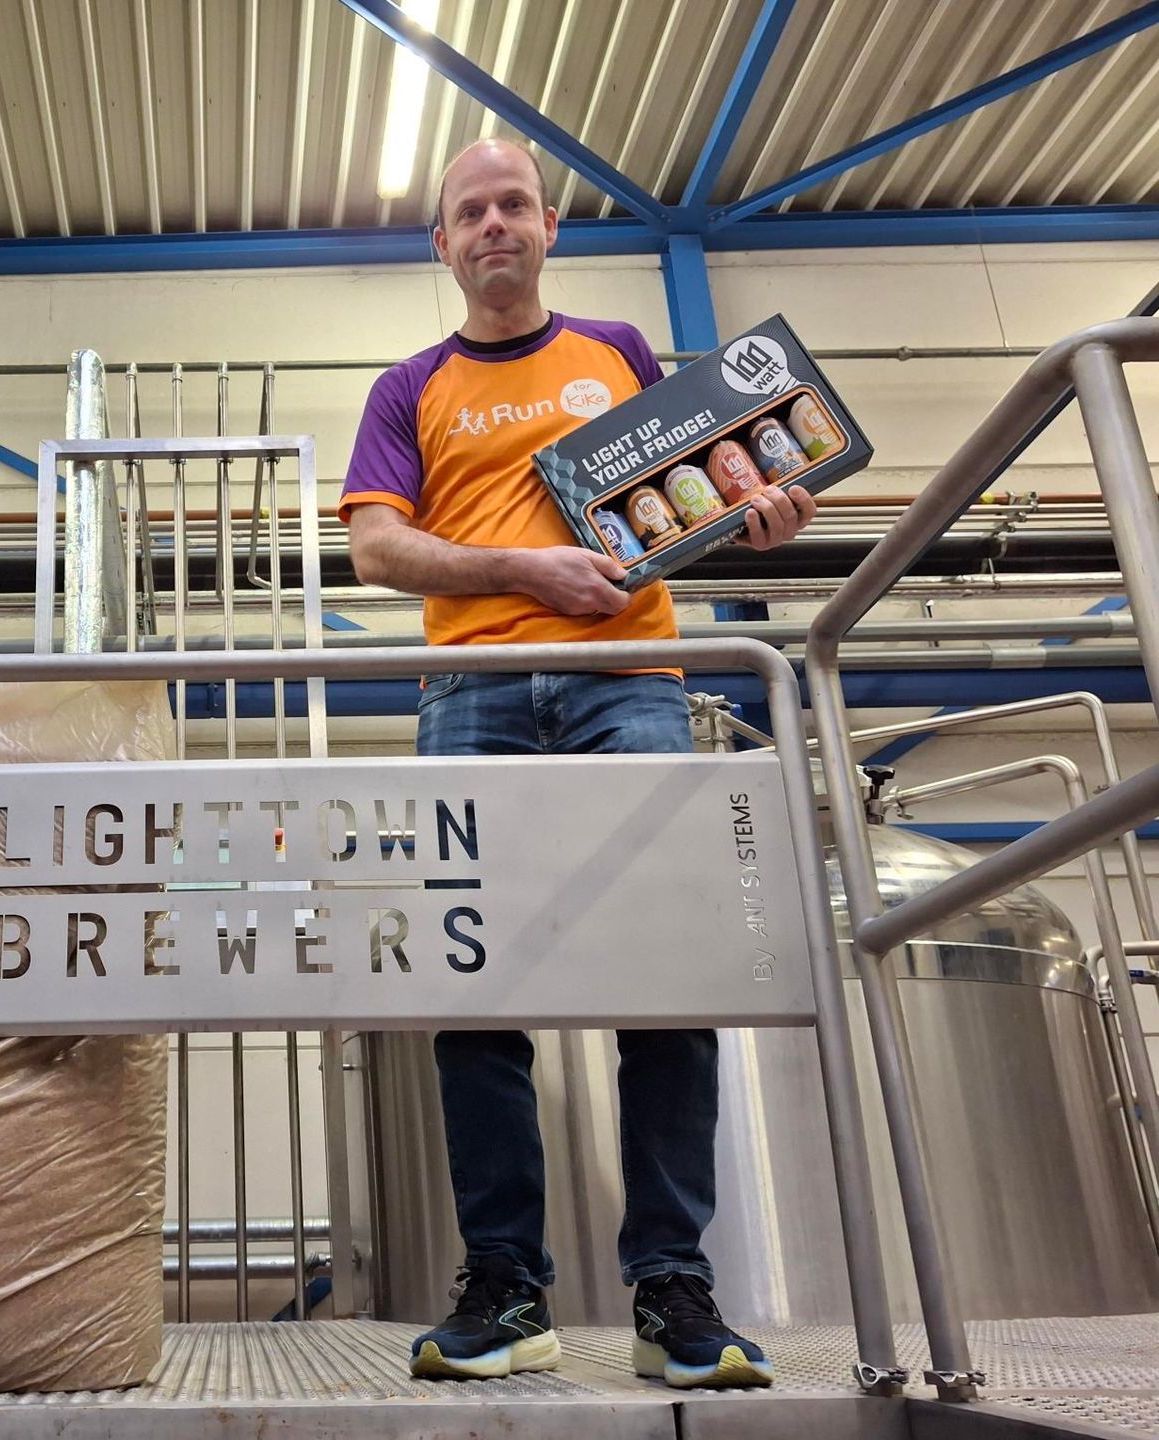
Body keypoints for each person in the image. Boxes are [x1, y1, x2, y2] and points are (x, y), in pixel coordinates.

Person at [340, 138, 817, 1391]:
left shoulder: (620, 352)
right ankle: (506, 1287)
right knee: (474, 996)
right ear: (443, 245)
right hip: (471, 692)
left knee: (670, 977)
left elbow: (684, 501)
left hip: (630, 686)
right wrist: (521, 570)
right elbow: (377, 551)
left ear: (549, 227)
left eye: (515, 205)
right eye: (470, 213)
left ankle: (672, 1289)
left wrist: (757, 515)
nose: (494, 225)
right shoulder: (409, 388)